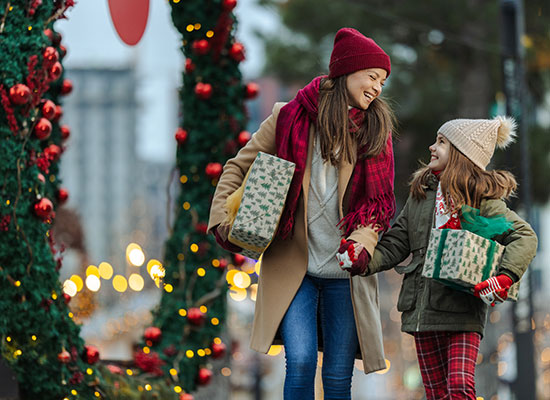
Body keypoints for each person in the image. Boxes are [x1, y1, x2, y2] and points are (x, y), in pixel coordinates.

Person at [208, 27, 396, 399]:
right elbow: (237, 166)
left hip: (345, 272)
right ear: (347, 71)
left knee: (339, 374)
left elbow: (378, 208)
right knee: (302, 361)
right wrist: (221, 217)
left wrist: (361, 241)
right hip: (295, 266)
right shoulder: (287, 118)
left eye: (383, 82)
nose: (378, 88)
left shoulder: (374, 132)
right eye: (373, 76)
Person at [356, 116, 538, 399]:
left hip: (462, 311)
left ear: (462, 155)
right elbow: (396, 243)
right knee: (436, 393)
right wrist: (364, 260)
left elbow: (524, 236)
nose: (432, 147)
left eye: (442, 142)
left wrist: (505, 276)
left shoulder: (481, 199)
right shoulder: (420, 195)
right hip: (422, 312)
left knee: (460, 387)